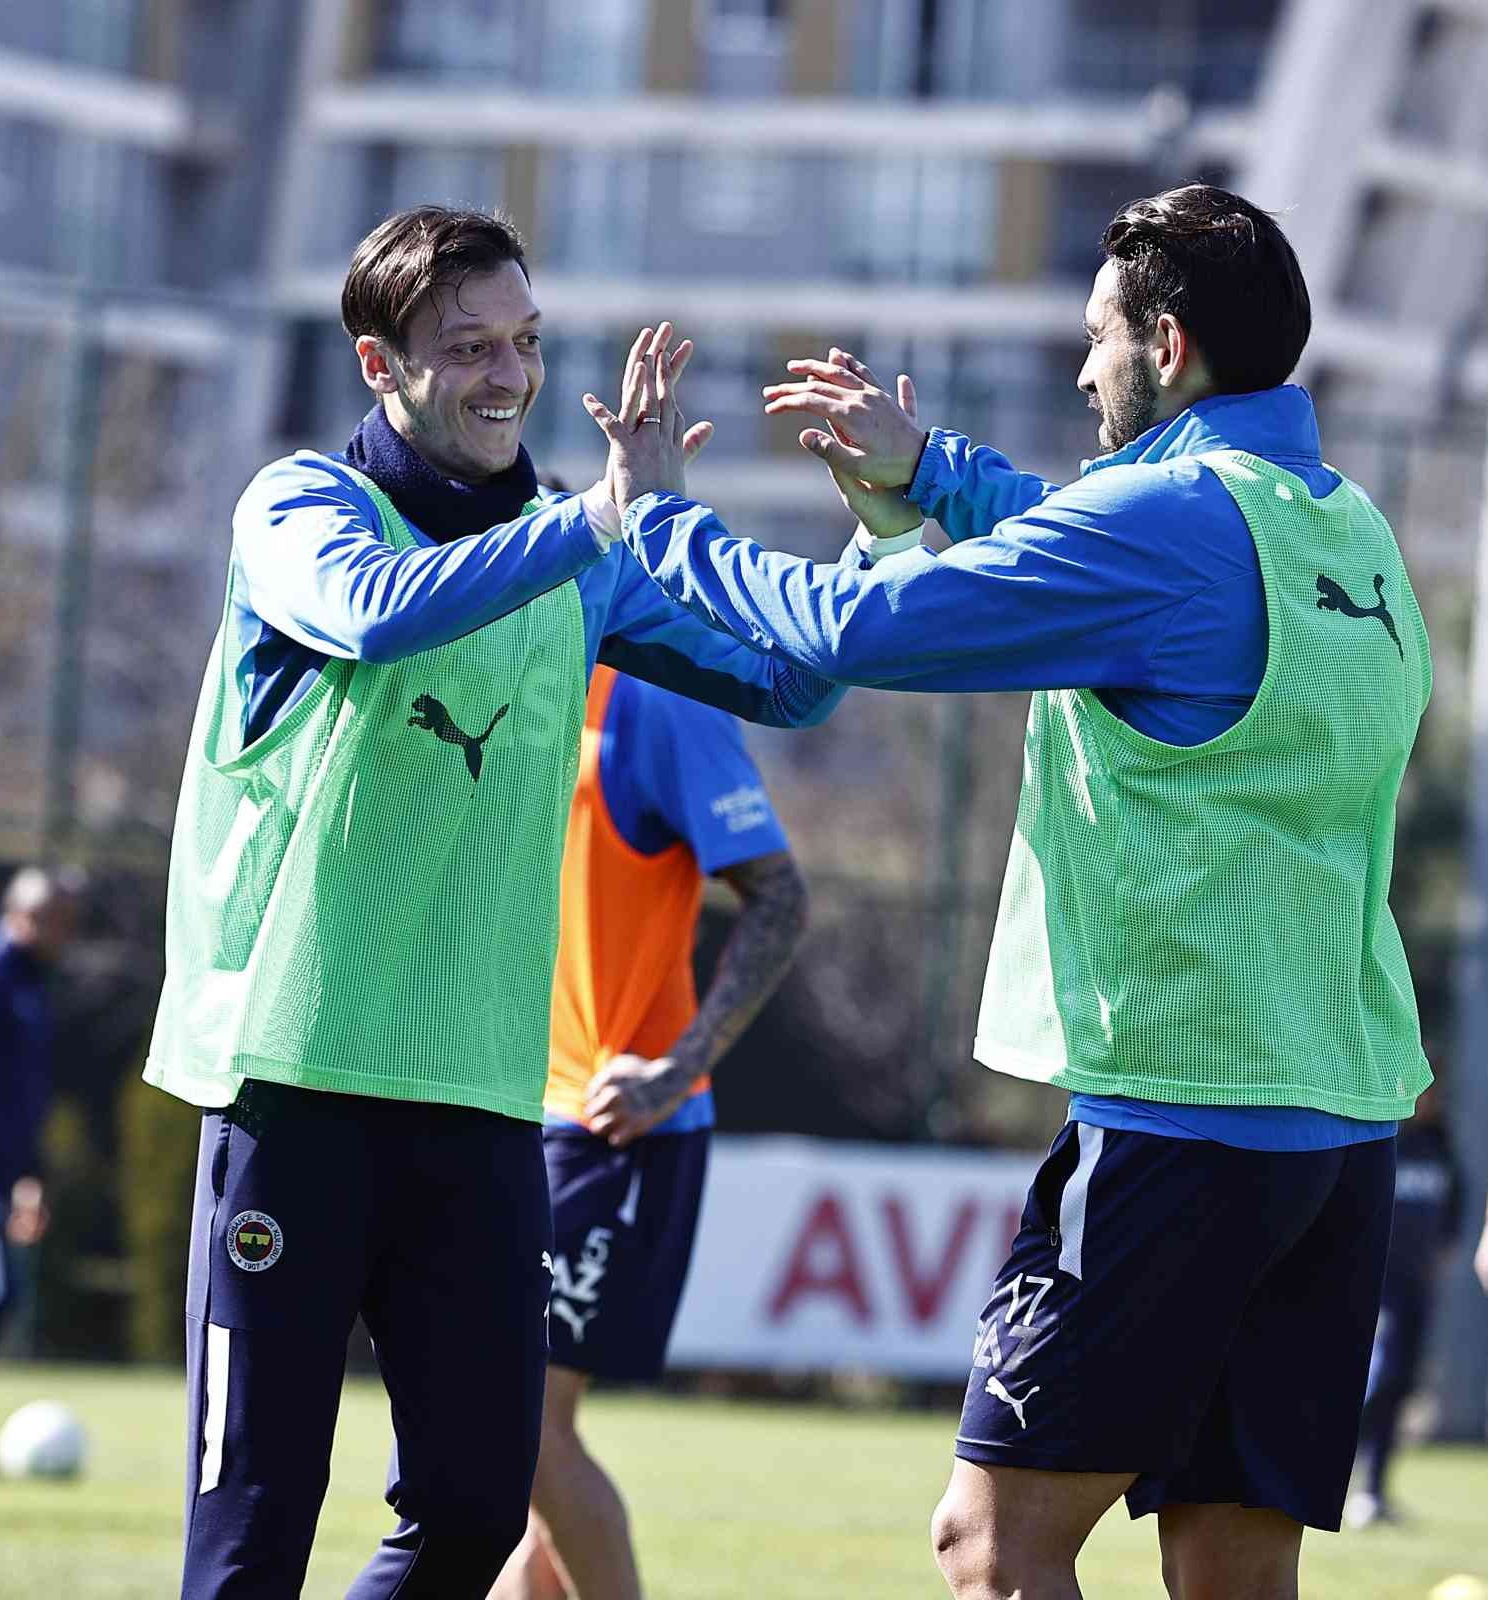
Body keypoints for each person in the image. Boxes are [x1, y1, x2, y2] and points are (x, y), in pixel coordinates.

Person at [594, 185, 1433, 1599]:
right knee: (1231, 1571)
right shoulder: (1332, 523)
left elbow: (856, 626)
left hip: (1182, 1124)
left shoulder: (1162, 522)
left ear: (1163, 346)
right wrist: (927, 471)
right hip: (1335, 1131)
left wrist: (662, 526)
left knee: (989, 1549)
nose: (1078, 366)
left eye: (1095, 337)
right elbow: (1082, 541)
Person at [142, 204, 841, 1600]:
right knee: (249, 1543)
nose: (507, 376)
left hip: (476, 1110)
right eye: (466, 348)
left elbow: (794, 680)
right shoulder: (297, 508)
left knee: (470, 1518)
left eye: (522, 342)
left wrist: (882, 519)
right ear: (375, 362)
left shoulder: (573, 560)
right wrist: (596, 516)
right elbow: (378, 609)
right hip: (294, 1090)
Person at [491, 665, 806, 1600]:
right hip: (506, 1113)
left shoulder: (653, 701)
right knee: (513, 1444)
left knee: (523, 1429)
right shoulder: (490, 661)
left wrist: (676, 1069)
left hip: (610, 1129)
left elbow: (781, 897)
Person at [1344, 1079, 1462, 1528]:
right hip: (1376, 1286)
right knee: (1380, 1376)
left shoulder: (1441, 1151)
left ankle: (1372, 1491)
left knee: (1398, 1385)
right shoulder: (1383, 1143)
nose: (1429, 1098)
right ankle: (1326, 1463)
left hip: (1416, 1290)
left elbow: (1451, 1221)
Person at [0, 866, 82, 1346]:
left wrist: (29, 1177)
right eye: (61, 923)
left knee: (9, 1297)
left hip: (8, 1174)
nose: (68, 937)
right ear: (28, 916)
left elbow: (23, 1096)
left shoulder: (32, 985)